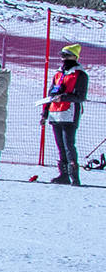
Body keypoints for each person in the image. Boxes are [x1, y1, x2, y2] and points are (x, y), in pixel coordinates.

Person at [42, 44, 89, 185]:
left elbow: (80, 97)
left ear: (75, 57)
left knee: (69, 145)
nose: (63, 59)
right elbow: (51, 93)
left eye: (67, 56)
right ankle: (63, 175)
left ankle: (74, 176)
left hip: (69, 114)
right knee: (60, 145)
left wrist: (63, 97)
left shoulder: (80, 75)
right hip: (55, 113)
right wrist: (45, 111)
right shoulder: (58, 74)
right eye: (62, 56)